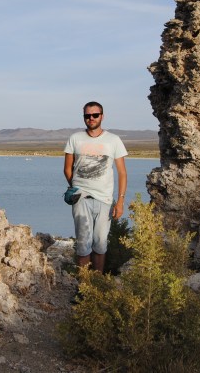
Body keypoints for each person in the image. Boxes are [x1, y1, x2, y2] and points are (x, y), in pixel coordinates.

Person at [63, 101, 128, 272]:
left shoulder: (113, 140)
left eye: (95, 115)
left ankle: (97, 284)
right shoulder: (75, 138)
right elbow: (67, 168)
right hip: (80, 197)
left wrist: (120, 202)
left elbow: (122, 173)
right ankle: (84, 287)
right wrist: (76, 186)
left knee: (100, 243)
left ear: (102, 116)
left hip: (105, 199)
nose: (91, 118)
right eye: (87, 115)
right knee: (83, 244)